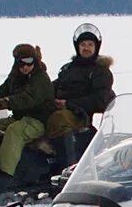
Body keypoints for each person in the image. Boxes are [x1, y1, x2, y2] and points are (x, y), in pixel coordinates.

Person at [0, 44, 55, 185]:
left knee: (14, 131)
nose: (25, 67)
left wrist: (2, 104)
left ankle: (5, 175)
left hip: (38, 121)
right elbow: (2, 91)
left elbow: (27, 98)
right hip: (18, 118)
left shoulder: (40, 79)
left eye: (29, 62)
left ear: (35, 61)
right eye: (21, 63)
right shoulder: (15, 76)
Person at [46, 23, 115, 166]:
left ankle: (67, 165)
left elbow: (100, 100)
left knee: (58, 119)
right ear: (77, 46)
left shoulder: (100, 72)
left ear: (96, 47)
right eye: (83, 44)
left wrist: (69, 104)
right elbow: (54, 86)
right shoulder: (68, 69)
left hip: (80, 115)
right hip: (60, 109)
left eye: (90, 44)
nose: (86, 48)